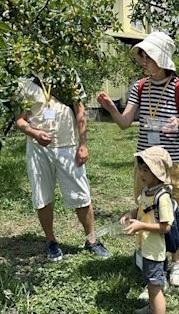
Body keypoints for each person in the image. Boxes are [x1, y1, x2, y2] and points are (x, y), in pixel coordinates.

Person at [97, 31, 179, 287]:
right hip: (145, 165)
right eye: (142, 58)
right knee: (146, 210)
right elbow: (124, 123)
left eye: (147, 58)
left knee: (171, 218)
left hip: (172, 164)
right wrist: (110, 108)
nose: (143, 63)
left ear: (161, 59)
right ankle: (151, 258)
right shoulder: (139, 87)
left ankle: (175, 261)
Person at [15, 73, 110, 261]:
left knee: (81, 194)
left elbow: (80, 111)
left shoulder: (68, 75)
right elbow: (20, 120)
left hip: (68, 146)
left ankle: (92, 240)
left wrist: (83, 144)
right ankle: (51, 242)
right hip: (38, 149)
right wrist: (34, 133)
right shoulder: (23, 82)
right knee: (42, 195)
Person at [120, 146, 174, 314]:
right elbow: (141, 210)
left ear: (158, 172)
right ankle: (152, 309)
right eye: (141, 168)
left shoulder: (163, 197)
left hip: (155, 249)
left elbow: (165, 227)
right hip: (145, 248)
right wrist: (130, 215)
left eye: (146, 170)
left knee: (155, 287)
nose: (141, 173)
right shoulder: (147, 191)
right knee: (150, 282)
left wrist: (141, 226)